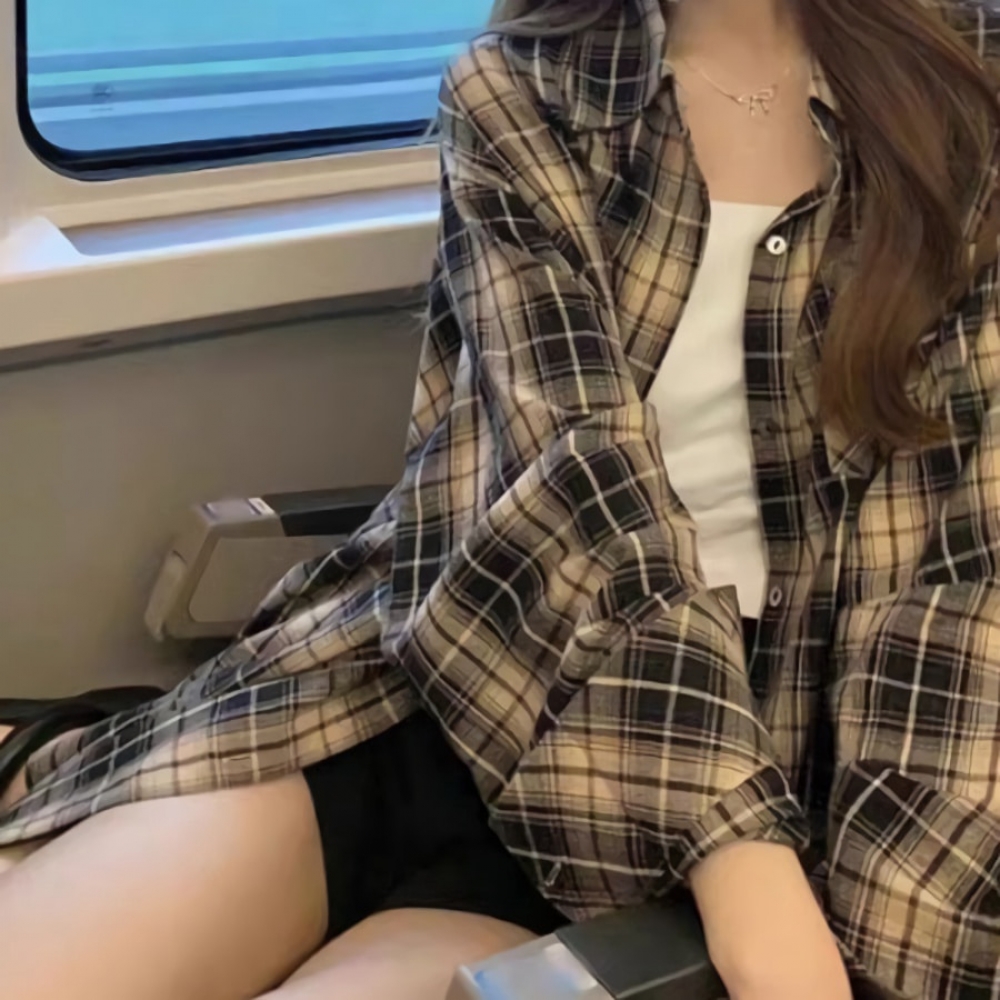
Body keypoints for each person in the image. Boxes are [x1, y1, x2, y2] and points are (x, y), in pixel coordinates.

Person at [1, 0, 998, 997]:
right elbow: (570, 478)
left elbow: (965, 582)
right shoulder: (523, 89)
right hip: (438, 676)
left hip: (693, 783)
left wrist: (823, 929)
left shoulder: (969, 90)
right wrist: (743, 864)